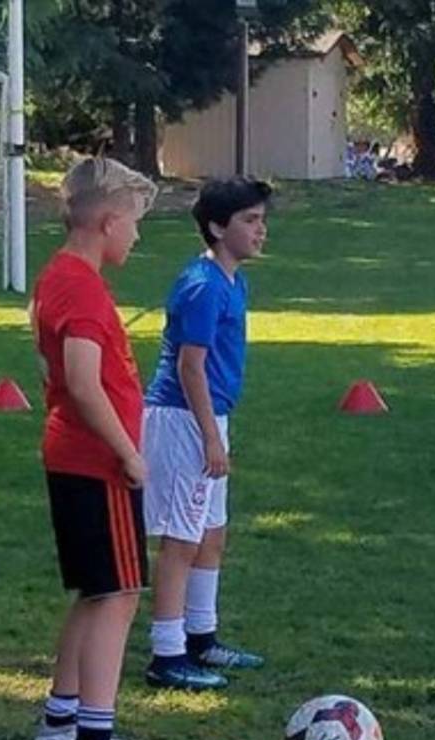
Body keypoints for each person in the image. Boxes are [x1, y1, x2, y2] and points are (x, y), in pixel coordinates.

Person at [30, 157, 168, 740]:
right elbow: (83, 384)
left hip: (72, 455)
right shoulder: (81, 287)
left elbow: (48, 367)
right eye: (135, 224)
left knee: (94, 590)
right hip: (95, 461)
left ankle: (62, 721)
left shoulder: (58, 276)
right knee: (119, 594)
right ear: (108, 223)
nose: (137, 237)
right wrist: (129, 453)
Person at [142, 177, 272, 690]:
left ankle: (202, 637)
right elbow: (189, 368)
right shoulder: (201, 285)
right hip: (182, 420)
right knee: (181, 539)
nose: (261, 230)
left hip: (210, 416)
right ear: (218, 227)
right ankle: (167, 655)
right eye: (249, 220)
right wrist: (210, 439)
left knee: (211, 535)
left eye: (262, 219)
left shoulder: (233, 280)